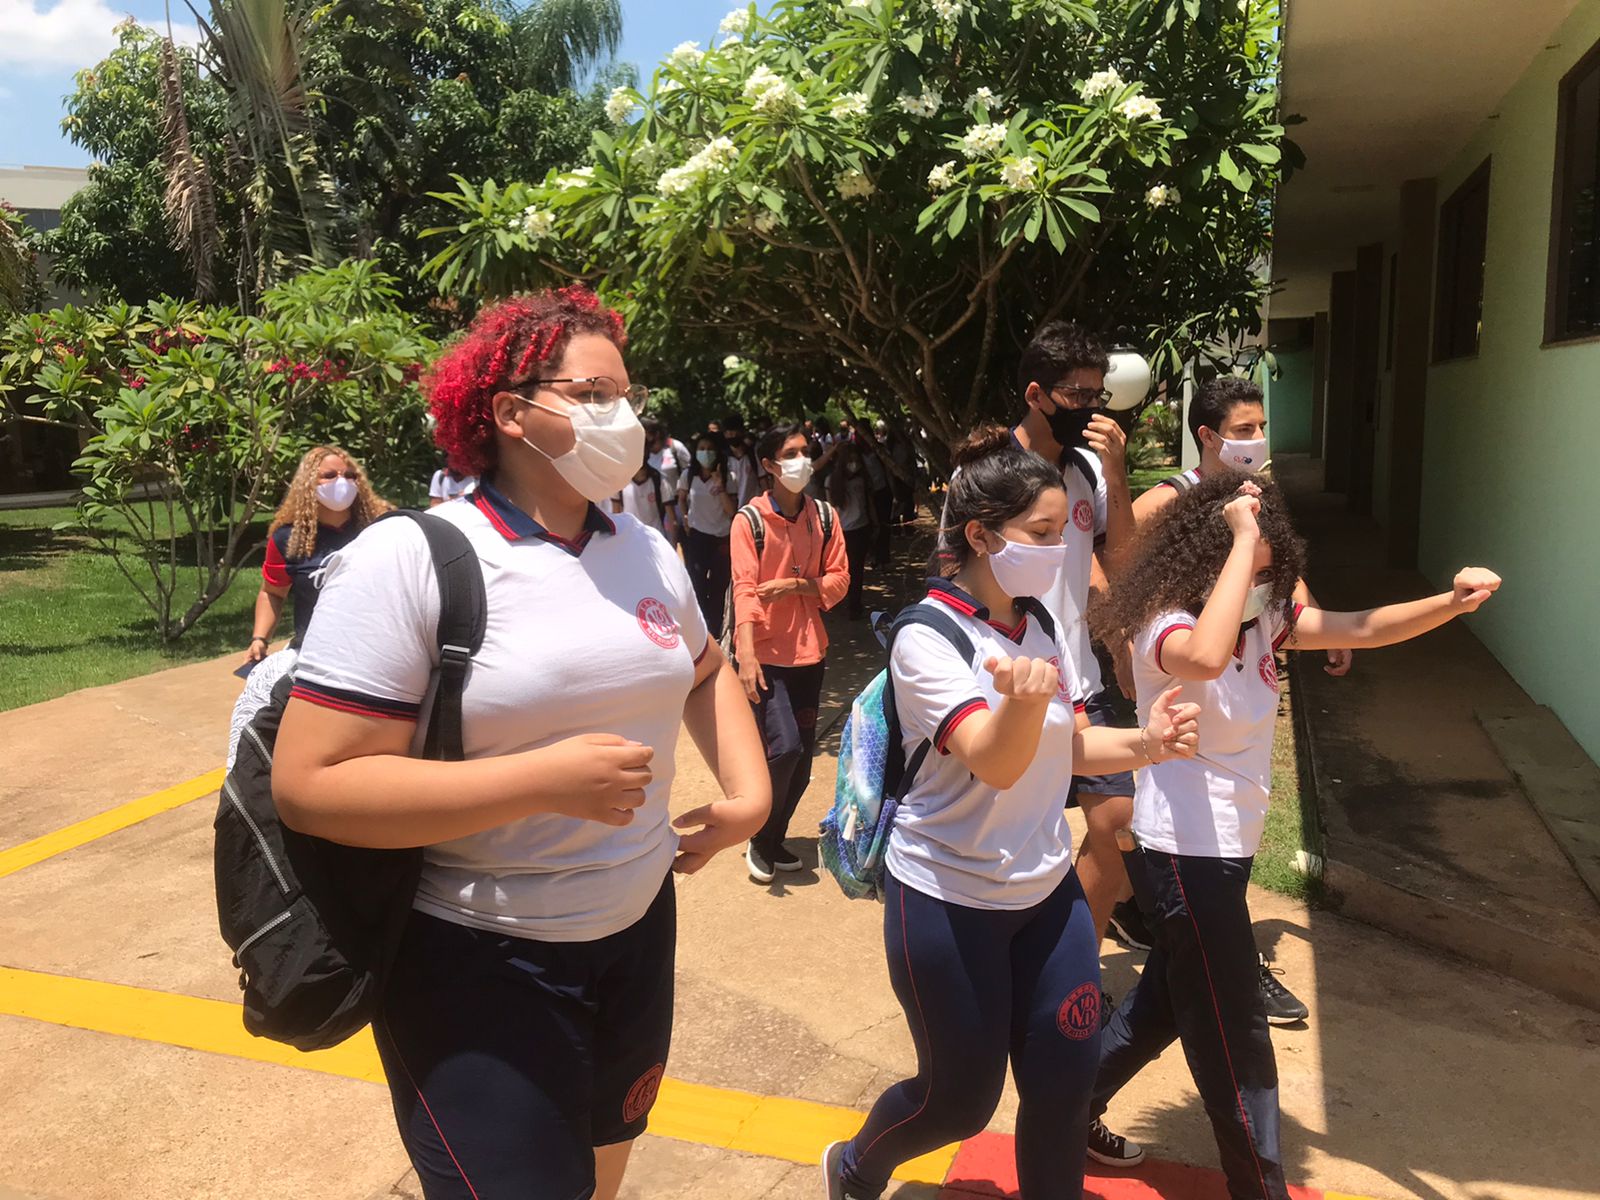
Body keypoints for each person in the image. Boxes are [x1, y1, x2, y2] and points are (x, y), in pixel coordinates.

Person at [270, 287, 770, 1200]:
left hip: (634, 931)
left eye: (627, 396)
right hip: (476, 958)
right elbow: (311, 784)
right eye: (593, 394)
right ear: (509, 412)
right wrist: (538, 781)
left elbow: (705, 673)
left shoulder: (644, 549)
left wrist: (751, 796)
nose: (623, 417)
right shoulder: (410, 558)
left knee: (601, 1172)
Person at [1086, 472, 1500, 1192]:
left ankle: (1066, 1105)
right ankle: (1261, 1185)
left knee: (1165, 1002)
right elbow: (1203, 658)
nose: (1262, 586)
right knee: (1234, 1032)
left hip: (1226, 849)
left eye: (1268, 572)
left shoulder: (1259, 622)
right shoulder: (1163, 625)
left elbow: (1362, 627)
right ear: (1211, 560)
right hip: (1183, 851)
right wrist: (1244, 537)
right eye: (1250, 569)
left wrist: (1452, 603)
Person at [821, 429, 1201, 1200]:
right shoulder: (926, 637)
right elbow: (994, 759)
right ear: (979, 535)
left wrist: (1148, 742)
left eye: (1063, 532)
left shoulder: (1038, 626)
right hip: (947, 899)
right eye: (1042, 532)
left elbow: (1067, 747)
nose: (1059, 550)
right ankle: (855, 1166)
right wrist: (1023, 704)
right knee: (959, 1099)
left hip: (1047, 895)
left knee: (1064, 1085)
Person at [1126, 376, 1347, 1023]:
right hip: (1182, 660)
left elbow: (1278, 568)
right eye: (1244, 430)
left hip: (1232, 663)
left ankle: (1199, 959)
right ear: (1208, 435)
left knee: (1217, 842)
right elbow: (1124, 569)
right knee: (1173, 819)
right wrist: (1126, 643)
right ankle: (1229, 968)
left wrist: (1317, 618)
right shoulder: (1170, 500)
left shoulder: (1259, 494)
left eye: (1260, 428)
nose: (1257, 440)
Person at [1008, 322, 1141, 972]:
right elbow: (955, 580)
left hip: (1082, 682)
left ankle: (1073, 974)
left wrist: (1116, 471)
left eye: (1097, 395)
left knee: (1118, 823)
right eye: (1076, 395)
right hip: (1014, 688)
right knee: (1015, 842)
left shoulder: (1088, 469)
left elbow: (1121, 560)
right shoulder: (992, 472)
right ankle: (1015, 967)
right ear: (1036, 394)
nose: (1090, 408)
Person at [731, 423, 851, 883]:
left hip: (810, 653)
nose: (802, 460)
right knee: (784, 749)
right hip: (766, 656)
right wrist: (745, 654)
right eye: (791, 453)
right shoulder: (749, 521)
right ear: (769, 465)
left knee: (801, 761)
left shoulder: (825, 517)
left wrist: (796, 586)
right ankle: (759, 834)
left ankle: (773, 837)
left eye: (806, 451)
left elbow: (839, 580)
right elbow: (744, 588)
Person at [246, 445, 390, 662]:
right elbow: (272, 593)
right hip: (315, 654)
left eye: (349, 476)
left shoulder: (381, 528)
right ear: (309, 483)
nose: (342, 482)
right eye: (329, 476)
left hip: (376, 650)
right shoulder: (288, 539)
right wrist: (260, 639)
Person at [679, 431, 737, 638]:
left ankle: (715, 629)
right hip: (698, 536)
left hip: (721, 537)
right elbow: (681, 497)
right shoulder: (688, 476)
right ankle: (700, 629)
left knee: (719, 585)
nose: (706, 453)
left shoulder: (729, 477)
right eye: (702, 449)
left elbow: (731, 511)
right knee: (697, 583)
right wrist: (685, 517)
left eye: (710, 449)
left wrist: (720, 486)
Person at [828, 438, 878, 620]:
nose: (853, 464)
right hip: (842, 531)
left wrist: (875, 523)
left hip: (860, 528)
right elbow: (831, 508)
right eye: (850, 460)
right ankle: (841, 600)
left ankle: (854, 605)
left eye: (856, 459)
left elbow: (868, 502)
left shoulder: (862, 479)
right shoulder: (832, 481)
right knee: (843, 570)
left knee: (857, 570)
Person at [612, 446, 677, 540]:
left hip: (655, 538)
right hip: (629, 538)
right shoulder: (620, 481)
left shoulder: (658, 480)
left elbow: (672, 518)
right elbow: (616, 514)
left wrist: (673, 543)